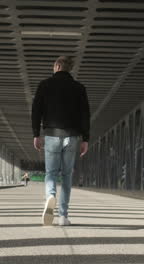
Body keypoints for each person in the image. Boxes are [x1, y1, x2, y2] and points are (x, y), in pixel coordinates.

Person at [31, 56, 90, 226]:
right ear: (69, 68)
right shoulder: (79, 88)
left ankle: (50, 196)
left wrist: (36, 133)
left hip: (51, 135)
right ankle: (63, 216)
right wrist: (86, 138)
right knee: (66, 175)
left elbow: (36, 111)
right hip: (72, 136)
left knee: (51, 173)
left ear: (57, 66)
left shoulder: (44, 85)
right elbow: (85, 115)